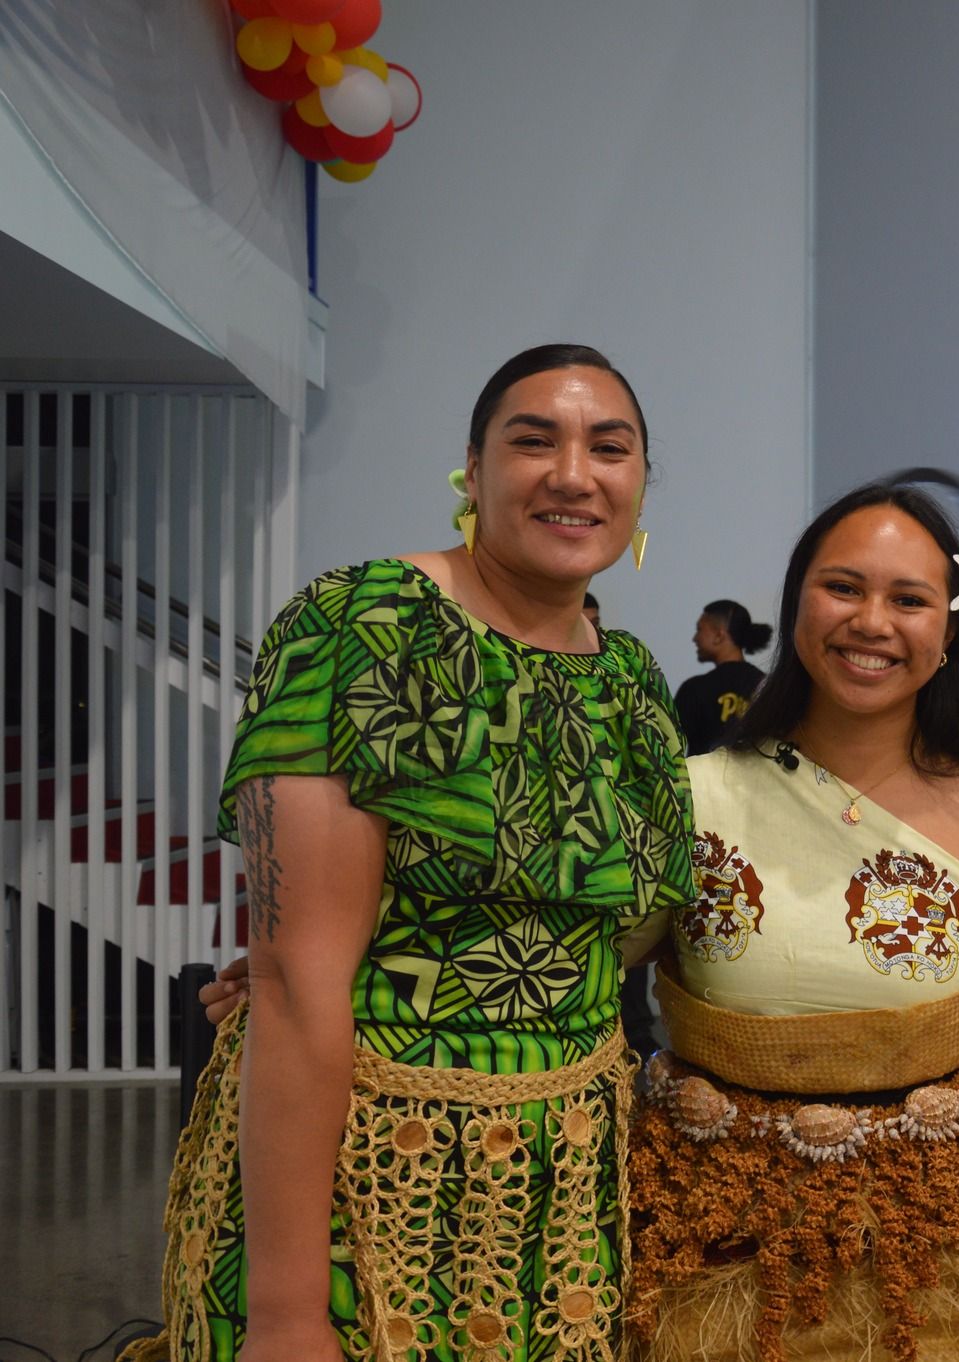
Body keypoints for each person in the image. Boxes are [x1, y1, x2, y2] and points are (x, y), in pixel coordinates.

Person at [132, 345, 694, 1362]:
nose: (574, 473)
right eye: (534, 441)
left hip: (557, 1200)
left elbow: (620, 936)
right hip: (365, 1183)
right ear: (471, 474)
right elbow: (304, 980)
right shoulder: (367, 625)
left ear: (640, 484)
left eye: (609, 448)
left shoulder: (628, 680)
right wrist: (291, 1316)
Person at [627, 483, 959, 1362]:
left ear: (948, 634)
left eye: (909, 600)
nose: (873, 621)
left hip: (948, 1280)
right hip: (715, 1264)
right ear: (795, 609)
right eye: (843, 588)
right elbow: (580, 980)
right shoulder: (690, 796)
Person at [674, 598, 770, 753]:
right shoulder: (768, 689)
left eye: (699, 629)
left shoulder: (695, 690)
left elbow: (668, 747)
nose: (695, 638)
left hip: (702, 778)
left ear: (719, 636)